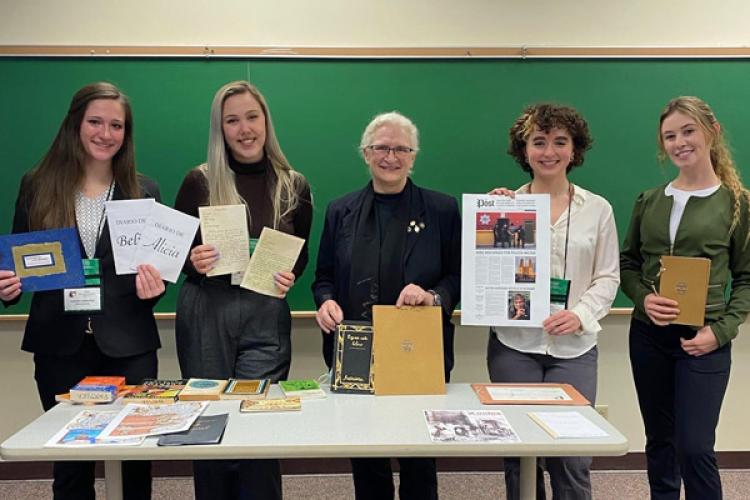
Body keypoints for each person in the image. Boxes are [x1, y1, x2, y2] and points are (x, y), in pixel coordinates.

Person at [0, 82, 165, 500]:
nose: (105, 133)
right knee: (70, 462)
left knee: (133, 459)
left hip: (129, 344)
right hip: (59, 344)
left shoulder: (144, 190)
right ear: (75, 124)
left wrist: (154, 290)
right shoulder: (37, 184)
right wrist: (6, 289)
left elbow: (150, 277)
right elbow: (16, 266)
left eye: (116, 125)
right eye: (95, 122)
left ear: (126, 135)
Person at [174, 80, 312, 500]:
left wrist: (290, 276)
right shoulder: (198, 180)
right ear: (221, 129)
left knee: (259, 426)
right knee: (210, 421)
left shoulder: (295, 184)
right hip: (206, 311)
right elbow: (177, 254)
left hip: (265, 314)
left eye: (252, 117)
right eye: (232, 120)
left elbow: (300, 255)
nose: (244, 128)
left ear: (266, 121)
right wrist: (192, 260)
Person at [312, 111, 461, 500]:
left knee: (418, 457)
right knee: (367, 457)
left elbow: (457, 278)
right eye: (381, 147)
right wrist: (325, 301)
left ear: (413, 157)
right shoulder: (339, 211)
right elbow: (323, 276)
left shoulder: (442, 210)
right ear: (365, 153)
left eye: (400, 149)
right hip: (356, 352)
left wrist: (432, 297)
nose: (390, 156)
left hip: (419, 351)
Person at [487, 103, 620, 500]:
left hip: (574, 349)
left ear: (574, 150)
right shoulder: (507, 207)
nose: (549, 151)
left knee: (571, 456)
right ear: (523, 150)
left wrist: (579, 315)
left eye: (560, 142)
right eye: (539, 142)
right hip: (515, 344)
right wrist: (492, 216)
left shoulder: (597, 209)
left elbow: (608, 275)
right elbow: (491, 273)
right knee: (519, 453)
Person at [620, 96, 750, 500]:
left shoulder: (738, 203)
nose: (680, 143)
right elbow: (628, 263)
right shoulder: (649, 200)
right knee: (660, 442)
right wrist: (643, 300)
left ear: (712, 132)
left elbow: (747, 278)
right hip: (649, 337)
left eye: (688, 131)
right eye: (670, 136)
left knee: (694, 447)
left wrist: (721, 331)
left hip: (704, 340)